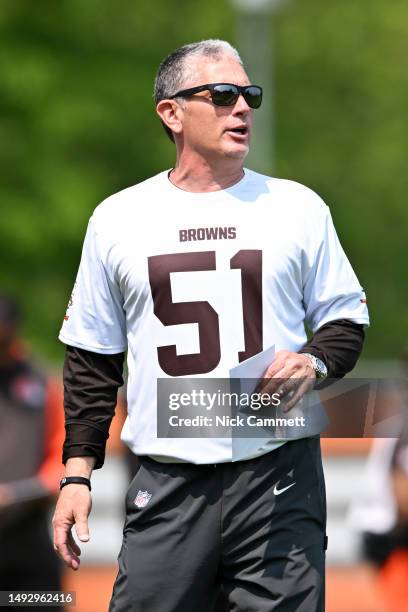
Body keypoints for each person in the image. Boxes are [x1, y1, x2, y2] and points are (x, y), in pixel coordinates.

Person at [52, 40, 369, 611]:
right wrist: (76, 476)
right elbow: (93, 359)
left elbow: (345, 317)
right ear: (171, 112)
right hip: (168, 481)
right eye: (223, 95)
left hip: (279, 472)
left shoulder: (297, 207)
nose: (242, 108)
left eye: (250, 95)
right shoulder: (118, 218)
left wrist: (313, 361)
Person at [0, 294, 64, 607]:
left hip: (28, 530)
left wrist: (19, 494)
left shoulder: (40, 382)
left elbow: (62, 456)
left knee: (37, 603)